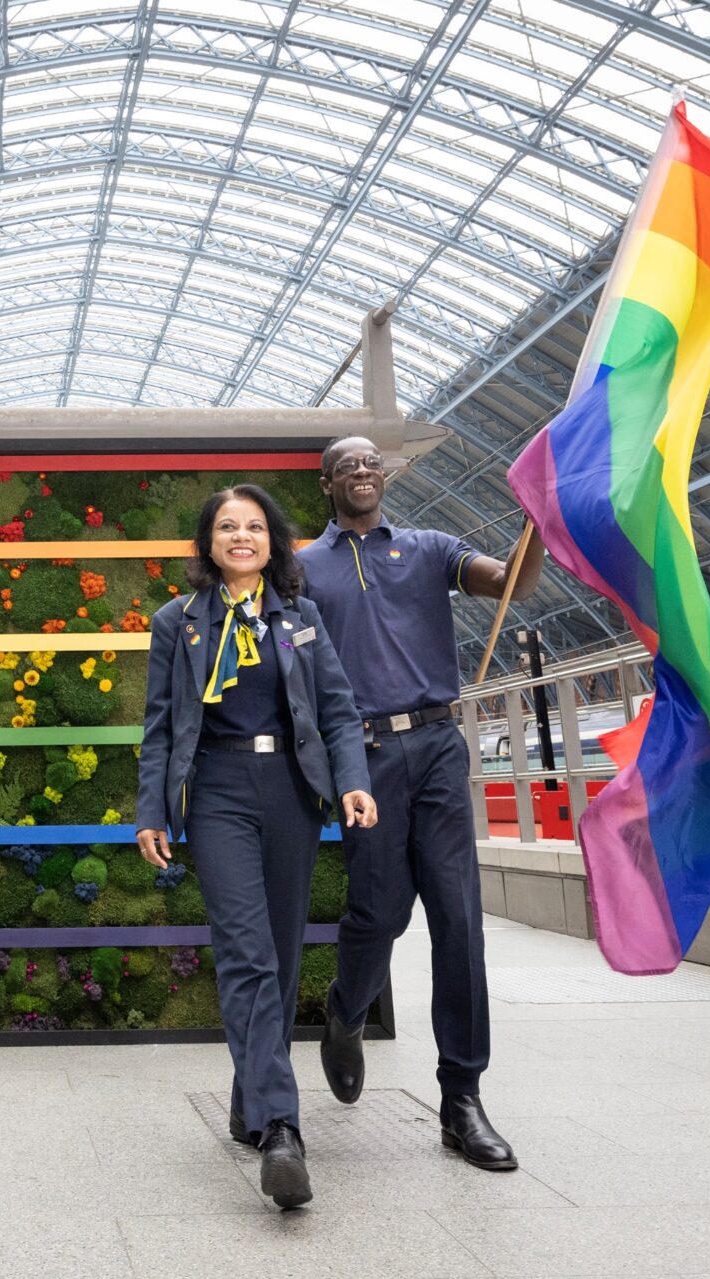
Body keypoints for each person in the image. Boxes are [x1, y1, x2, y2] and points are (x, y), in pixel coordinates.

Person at [296, 436, 544, 1171]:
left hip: (438, 743)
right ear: (328, 483)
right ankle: (347, 1011)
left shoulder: (432, 547)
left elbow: (510, 585)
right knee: (380, 911)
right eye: (349, 465)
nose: (365, 471)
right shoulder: (304, 570)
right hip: (362, 753)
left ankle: (461, 1097)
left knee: (459, 918)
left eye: (374, 462)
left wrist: (541, 527)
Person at [136, 484, 377, 1209]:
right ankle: (280, 1128)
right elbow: (159, 727)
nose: (241, 536)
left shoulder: (300, 617)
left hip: (292, 790)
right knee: (246, 950)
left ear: (272, 540)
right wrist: (152, 809)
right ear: (208, 544)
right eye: (225, 527)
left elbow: (336, 709)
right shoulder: (177, 622)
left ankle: (248, 1100)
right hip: (215, 790)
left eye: (253, 526)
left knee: (279, 949)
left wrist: (352, 782)